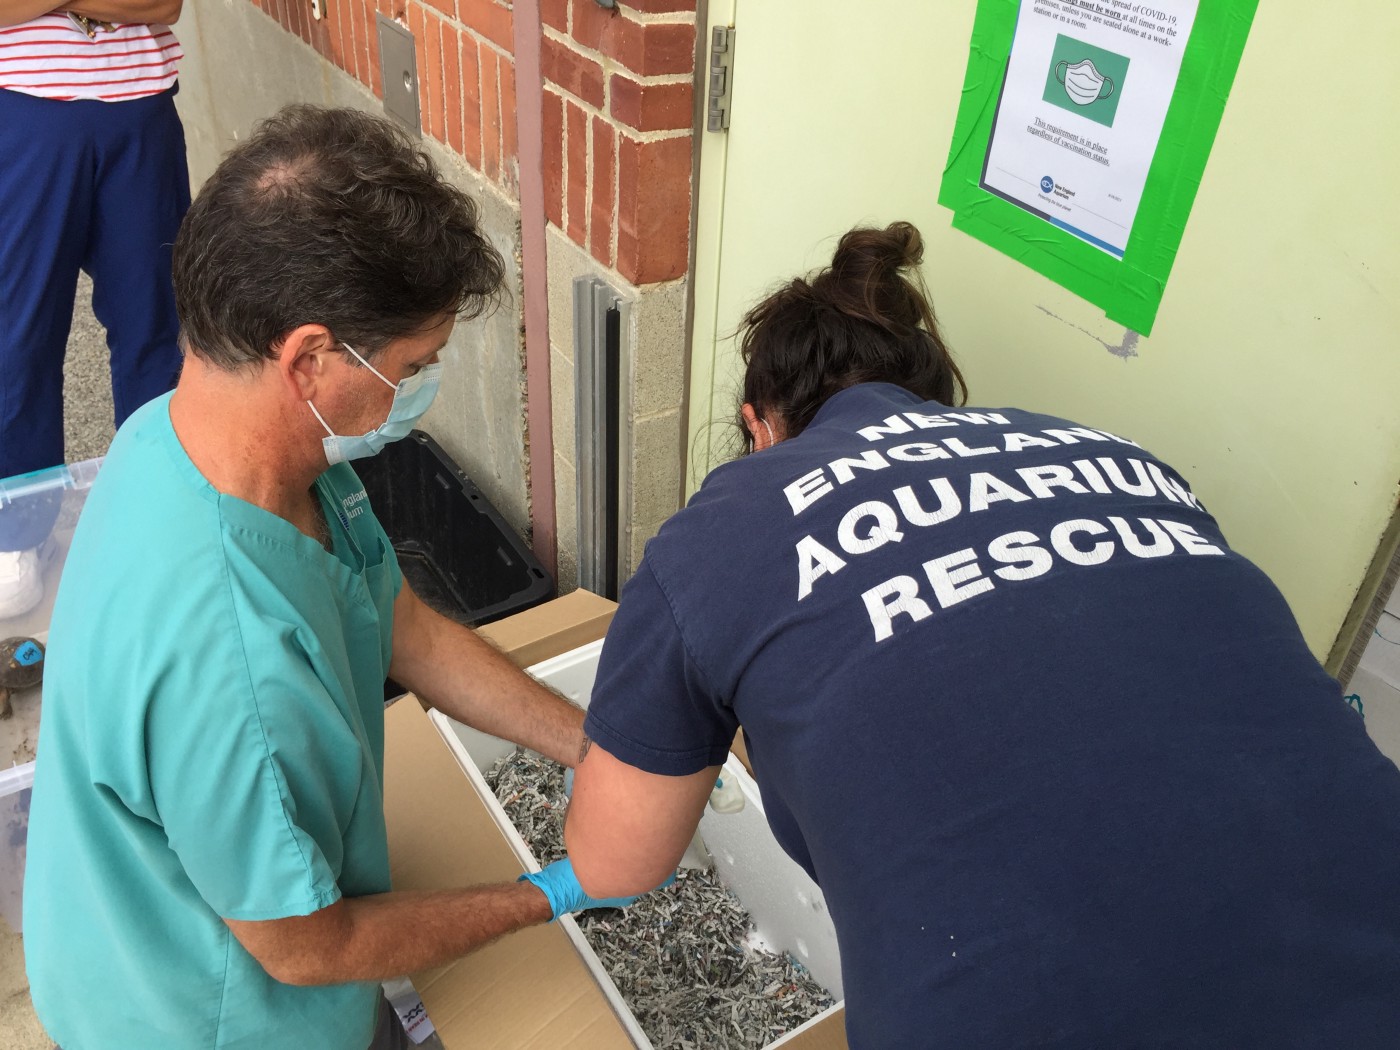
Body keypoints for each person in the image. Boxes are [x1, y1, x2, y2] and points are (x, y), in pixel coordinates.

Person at [564, 222, 1400, 1047]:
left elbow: (613, 865)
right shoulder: (1124, 457)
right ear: (938, 400)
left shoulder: (722, 527)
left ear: (761, 425)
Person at [24, 105, 662, 1050]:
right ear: (312, 359)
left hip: (137, 905)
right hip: (198, 1011)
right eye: (415, 365)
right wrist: (557, 889)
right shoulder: (233, 665)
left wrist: (593, 746)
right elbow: (307, 947)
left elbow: (393, 614)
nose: (420, 387)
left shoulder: (199, 433)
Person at [0, 0, 193, 615]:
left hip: (140, 113)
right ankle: (18, 532)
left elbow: (164, 5)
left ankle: (163, 510)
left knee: (155, 325)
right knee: (19, 331)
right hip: (23, 113)